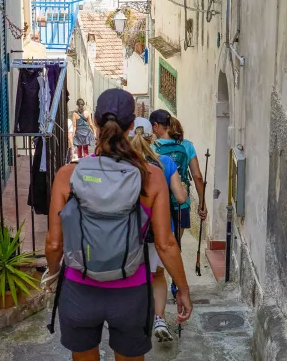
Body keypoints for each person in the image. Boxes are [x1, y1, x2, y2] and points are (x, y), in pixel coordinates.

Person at [45, 89, 193, 361]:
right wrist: (182, 289)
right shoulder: (151, 177)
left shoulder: (68, 175)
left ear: (96, 125)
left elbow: (55, 243)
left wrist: (54, 276)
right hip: (131, 292)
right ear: (130, 127)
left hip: (79, 289)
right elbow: (165, 243)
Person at [129, 117, 188, 343]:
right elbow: (181, 197)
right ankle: (160, 319)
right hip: (160, 231)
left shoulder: (124, 164)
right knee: (158, 275)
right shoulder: (164, 162)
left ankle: (133, 320)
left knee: (133, 275)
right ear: (151, 137)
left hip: (131, 232)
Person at [149, 109, 208, 240]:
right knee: (176, 244)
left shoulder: (152, 149)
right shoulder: (187, 146)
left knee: (161, 244)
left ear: (157, 126)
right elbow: (197, 176)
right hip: (181, 201)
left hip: (160, 202)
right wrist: (202, 202)